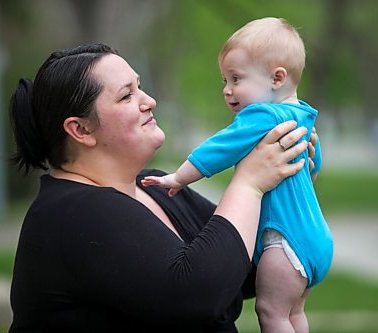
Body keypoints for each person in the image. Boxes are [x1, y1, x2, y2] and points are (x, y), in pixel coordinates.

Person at [7, 42, 313, 332]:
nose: (149, 101)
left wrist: (284, 181)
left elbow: (240, 267)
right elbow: (198, 293)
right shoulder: (71, 214)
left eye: (139, 86)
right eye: (127, 95)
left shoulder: (153, 187)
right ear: (81, 129)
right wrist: (250, 183)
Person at [142, 18, 333, 333]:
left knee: (271, 313)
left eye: (236, 79)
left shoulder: (262, 115)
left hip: (284, 243)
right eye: (225, 81)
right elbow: (313, 163)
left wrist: (179, 178)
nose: (228, 91)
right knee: (293, 313)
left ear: (277, 78)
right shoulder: (303, 116)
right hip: (316, 238)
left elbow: (220, 148)